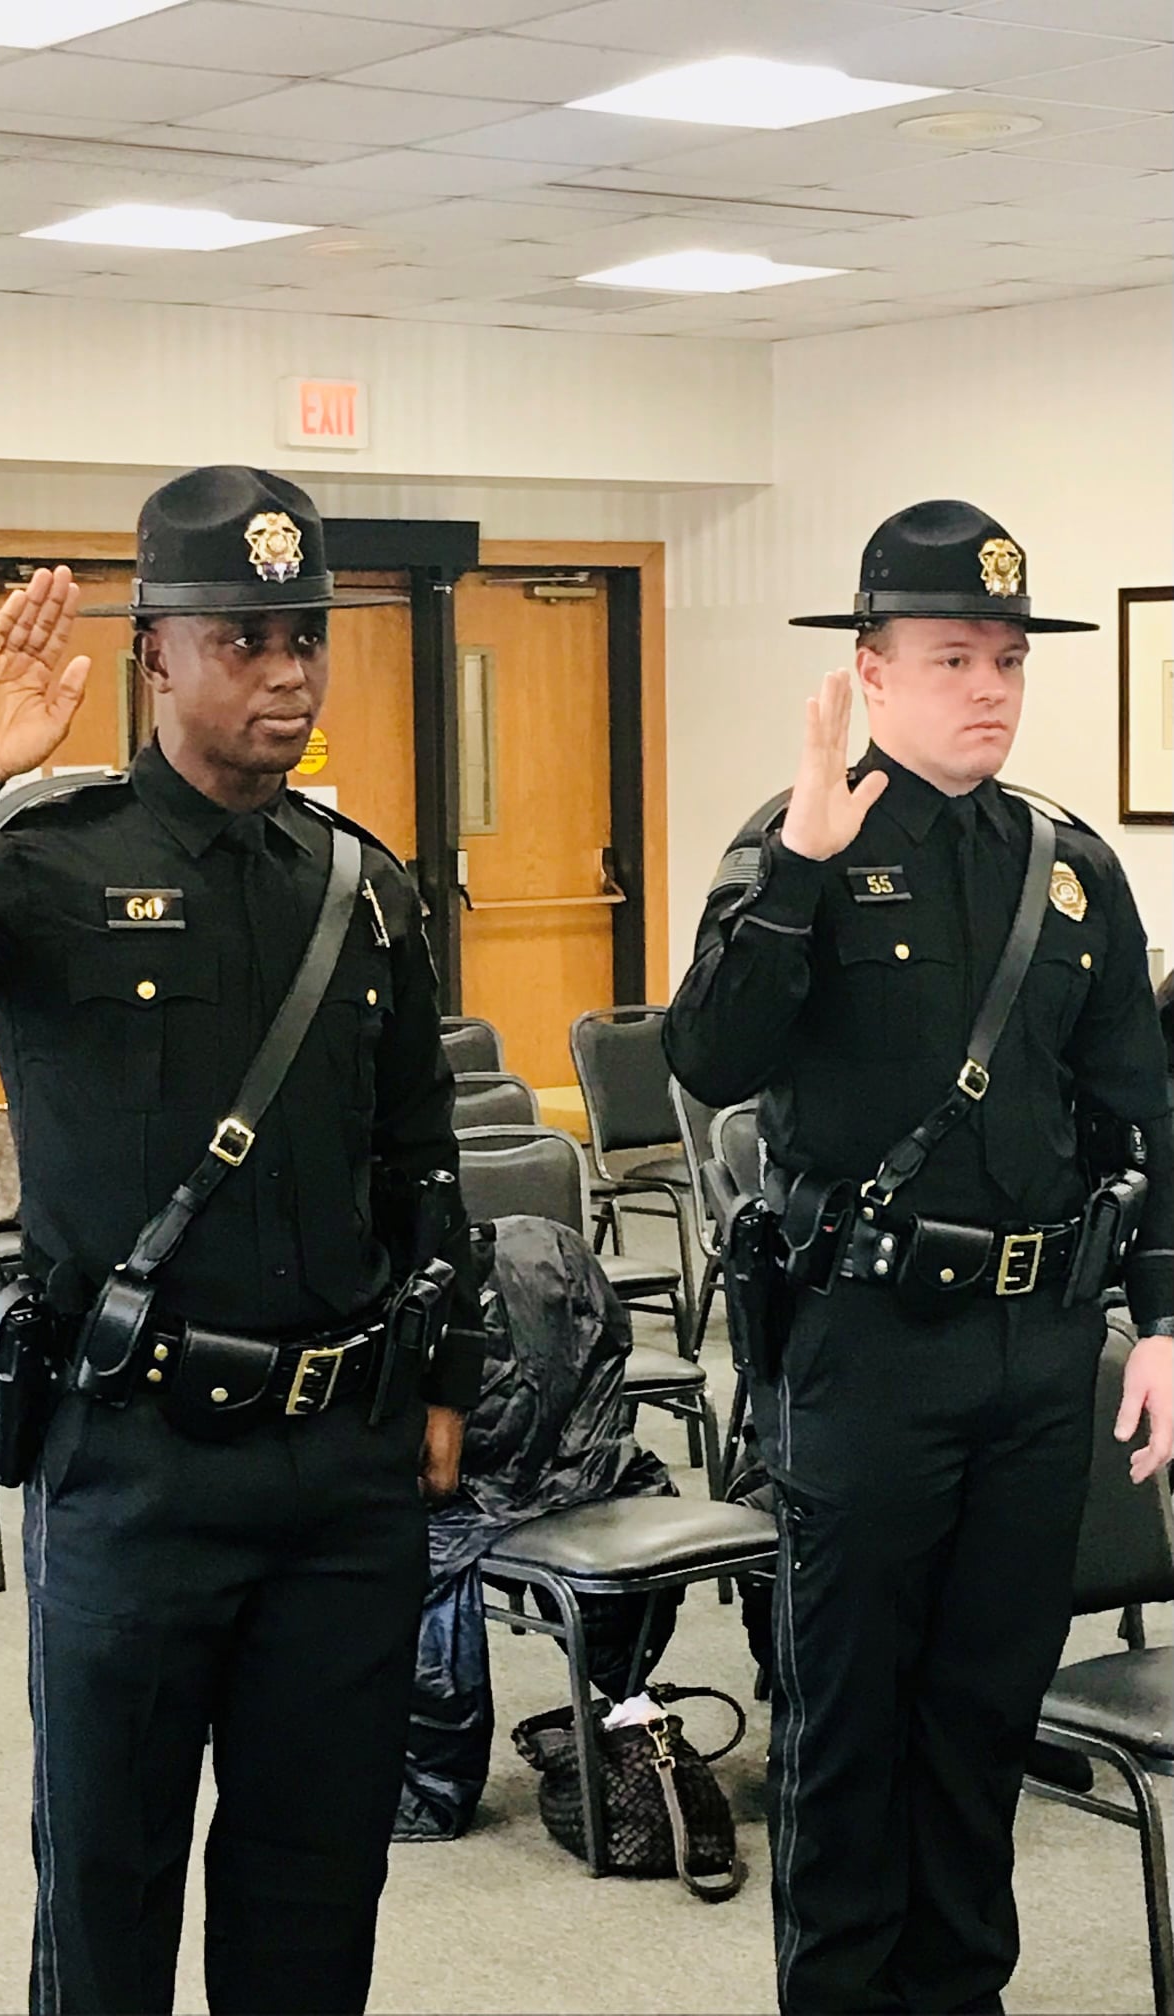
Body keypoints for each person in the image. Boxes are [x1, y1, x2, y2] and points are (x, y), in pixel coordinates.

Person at [0, 465, 485, 2016]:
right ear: (156, 655)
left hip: (342, 1474)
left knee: (317, 1889)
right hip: (137, 1463)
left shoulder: (362, 887)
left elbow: (420, 1162)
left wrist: (442, 1388)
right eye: (243, 639)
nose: (287, 672)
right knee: (109, 1887)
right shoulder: (47, 865)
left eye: (304, 636)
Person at [665, 499, 1173, 2016]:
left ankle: (959, 1997)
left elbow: (1143, 1109)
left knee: (980, 1717)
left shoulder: (1066, 868)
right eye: (953, 657)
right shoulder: (797, 836)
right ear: (870, 674)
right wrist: (803, 870)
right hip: (865, 1346)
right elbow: (706, 1057)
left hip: (1036, 1355)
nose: (990, 689)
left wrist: (1160, 1319)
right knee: (849, 1729)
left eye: (1008, 659)